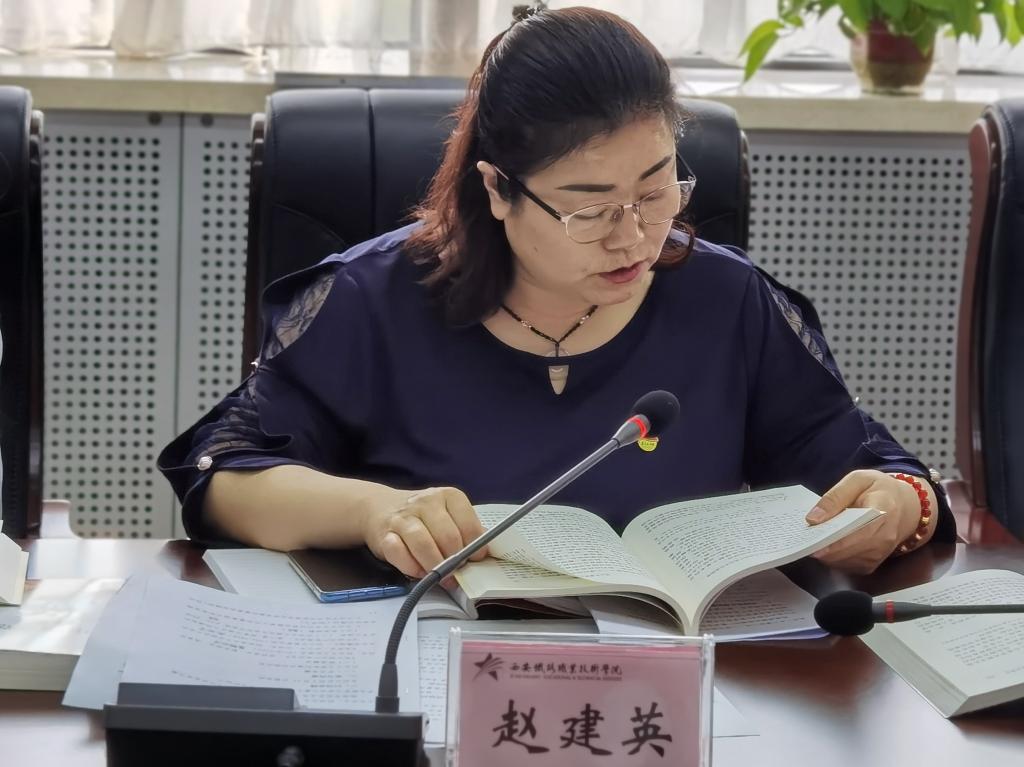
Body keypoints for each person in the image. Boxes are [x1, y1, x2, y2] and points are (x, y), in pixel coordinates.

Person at [159, 6, 954, 579]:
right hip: (430, 668)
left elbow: (874, 470)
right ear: (498, 191)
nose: (633, 236)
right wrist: (373, 511)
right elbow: (223, 478)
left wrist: (898, 505)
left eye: (656, 190)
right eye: (588, 209)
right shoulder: (373, 300)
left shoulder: (729, 302)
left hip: (676, 684)